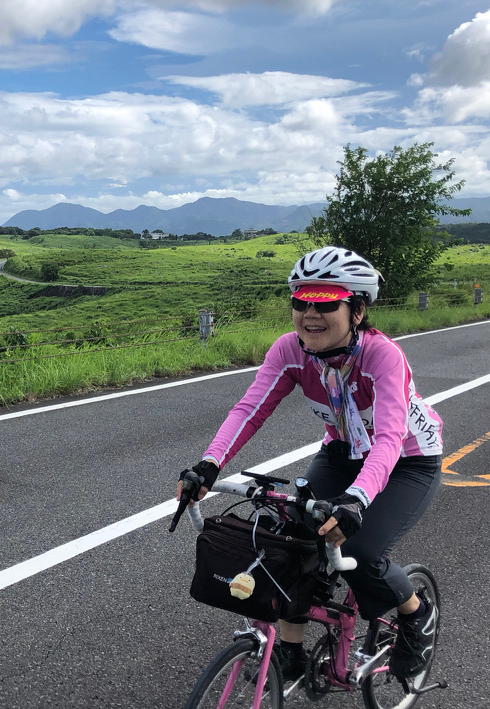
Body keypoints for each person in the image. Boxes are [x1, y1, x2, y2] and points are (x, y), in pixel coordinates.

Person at [177, 246, 443, 680]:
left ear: (358, 311)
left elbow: (390, 437)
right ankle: (290, 651)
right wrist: (208, 465)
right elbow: (249, 410)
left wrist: (356, 500)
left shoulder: (382, 356)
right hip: (341, 452)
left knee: (358, 550)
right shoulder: (290, 350)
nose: (310, 315)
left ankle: (416, 615)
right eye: (301, 303)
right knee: (291, 541)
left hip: (408, 461)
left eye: (326, 304)